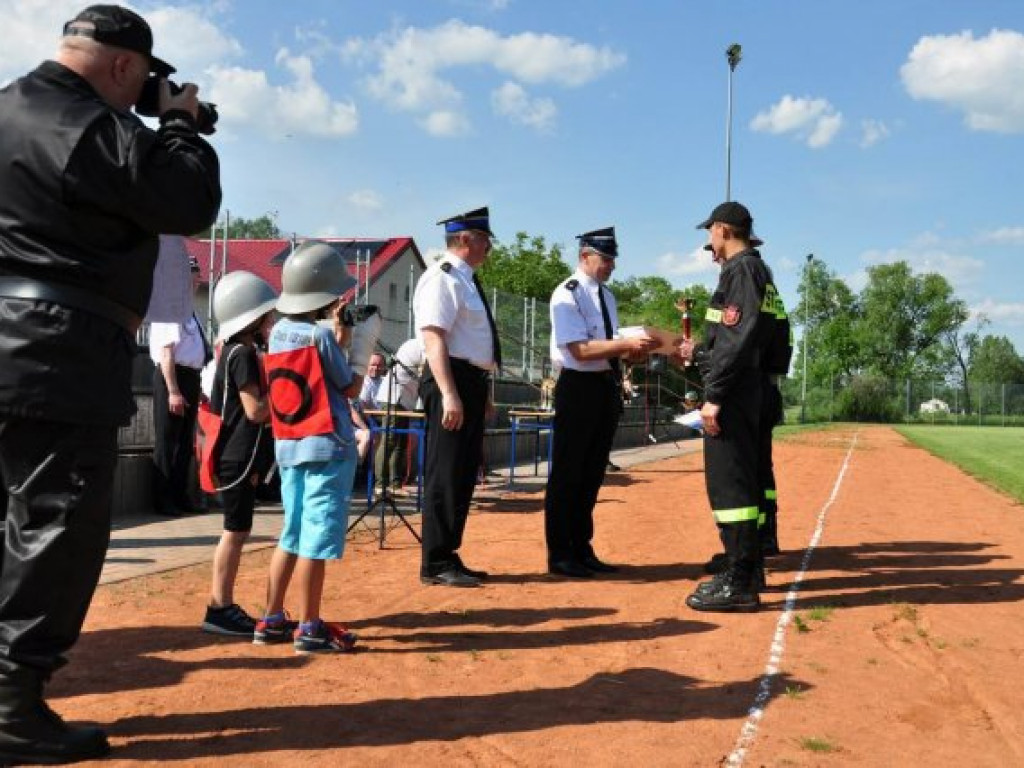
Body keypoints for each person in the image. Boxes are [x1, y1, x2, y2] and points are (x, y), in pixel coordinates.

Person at [0, 5, 220, 762]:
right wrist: (182, 124)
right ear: (126, 67)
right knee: (55, 524)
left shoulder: (6, 108)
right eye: (143, 86)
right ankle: (11, 709)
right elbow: (187, 199)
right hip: (58, 350)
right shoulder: (98, 126)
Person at [255, 241, 379, 654]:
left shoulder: (277, 335)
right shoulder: (318, 337)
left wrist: (336, 333)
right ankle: (309, 627)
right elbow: (349, 386)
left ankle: (272, 618)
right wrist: (357, 347)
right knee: (316, 540)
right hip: (328, 446)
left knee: (291, 533)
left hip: (289, 446)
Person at [676, 201, 779, 612]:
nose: (709, 241)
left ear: (722, 229)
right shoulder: (753, 270)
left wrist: (714, 395)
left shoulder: (742, 270)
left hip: (734, 392)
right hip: (747, 386)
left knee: (731, 485)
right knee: (746, 483)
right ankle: (747, 567)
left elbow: (736, 341)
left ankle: (738, 580)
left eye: (710, 233)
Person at [544, 228, 655, 578]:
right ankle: (561, 554)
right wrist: (624, 346)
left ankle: (582, 547)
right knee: (568, 473)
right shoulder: (568, 293)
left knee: (591, 472)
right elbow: (578, 349)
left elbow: (607, 347)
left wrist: (633, 353)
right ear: (584, 256)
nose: (610, 266)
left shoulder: (606, 296)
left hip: (604, 385)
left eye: (612, 260)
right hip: (577, 387)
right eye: (604, 259)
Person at [413, 207, 501, 588]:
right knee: (445, 471)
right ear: (464, 239)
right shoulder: (443, 278)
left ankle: (448, 552)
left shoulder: (465, 280)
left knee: (463, 472)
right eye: (484, 240)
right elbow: (434, 338)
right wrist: (450, 393)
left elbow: (476, 343)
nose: (488, 247)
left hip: (470, 380)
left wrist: (482, 392)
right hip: (450, 378)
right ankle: (434, 561)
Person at [200, 271, 278, 637]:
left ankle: (221, 604)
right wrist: (288, 389)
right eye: (267, 314)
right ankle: (219, 606)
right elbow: (255, 411)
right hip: (238, 453)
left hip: (237, 453)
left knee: (237, 530)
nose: (271, 321)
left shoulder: (232, 350)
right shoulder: (243, 353)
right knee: (234, 531)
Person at [150, 246, 211, 516]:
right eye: (191, 276)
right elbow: (166, 353)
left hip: (190, 376)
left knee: (185, 443)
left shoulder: (189, 311)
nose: (196, 281)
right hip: (171, 377)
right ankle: (163, 500)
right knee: (168, 441)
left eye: (197, 276)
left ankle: (179, 495)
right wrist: (173, 391)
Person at [373, 338, 425, 495]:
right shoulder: (421, 346)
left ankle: (395, 485)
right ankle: (380, 485)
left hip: (405, 401)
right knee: (389, 440)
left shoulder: (422, 345)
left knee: (400, 444)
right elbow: (427, 373)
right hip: (394, 398)